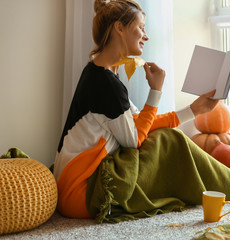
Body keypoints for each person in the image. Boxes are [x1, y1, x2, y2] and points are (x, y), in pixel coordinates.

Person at [53, 0, 220, 218]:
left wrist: (194, 110)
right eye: (141, 27)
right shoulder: (105, 83)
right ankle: (229, 187)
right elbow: (134, 140)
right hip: (83, 193)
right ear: (119, 28)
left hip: (75, 189)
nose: (146, 35)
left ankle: (228, 185)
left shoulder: (102, 73)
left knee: (166, 138)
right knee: (167, 141)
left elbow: (141, 121)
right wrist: (155, 91)